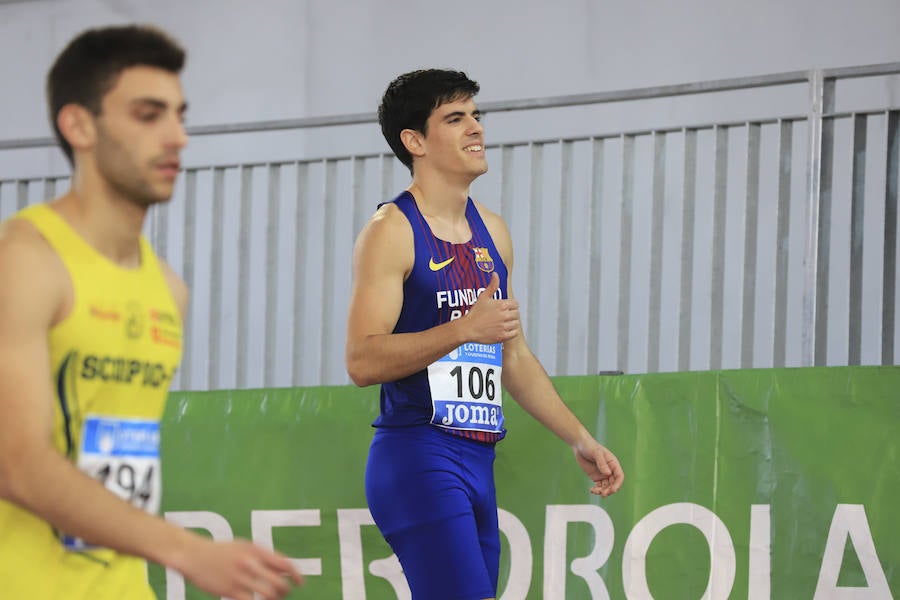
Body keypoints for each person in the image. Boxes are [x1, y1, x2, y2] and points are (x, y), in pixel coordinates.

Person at [0, 24, 302, 600]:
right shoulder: (25, 261)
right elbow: (14, 461)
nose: (178, 136)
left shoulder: (168, 289)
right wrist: (188, 551)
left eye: (179, 115)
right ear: (79, 125)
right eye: (148, 115)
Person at [345, 69, 625, 600]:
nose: (476, 128)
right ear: (415, 141)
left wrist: (580, 438)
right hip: (417, 456)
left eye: (476, 115)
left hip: (479, 461)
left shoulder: (492, 232)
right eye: (455, 118)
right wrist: (462, 329)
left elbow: (512, 353)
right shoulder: (391, 231)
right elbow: (361, 361)